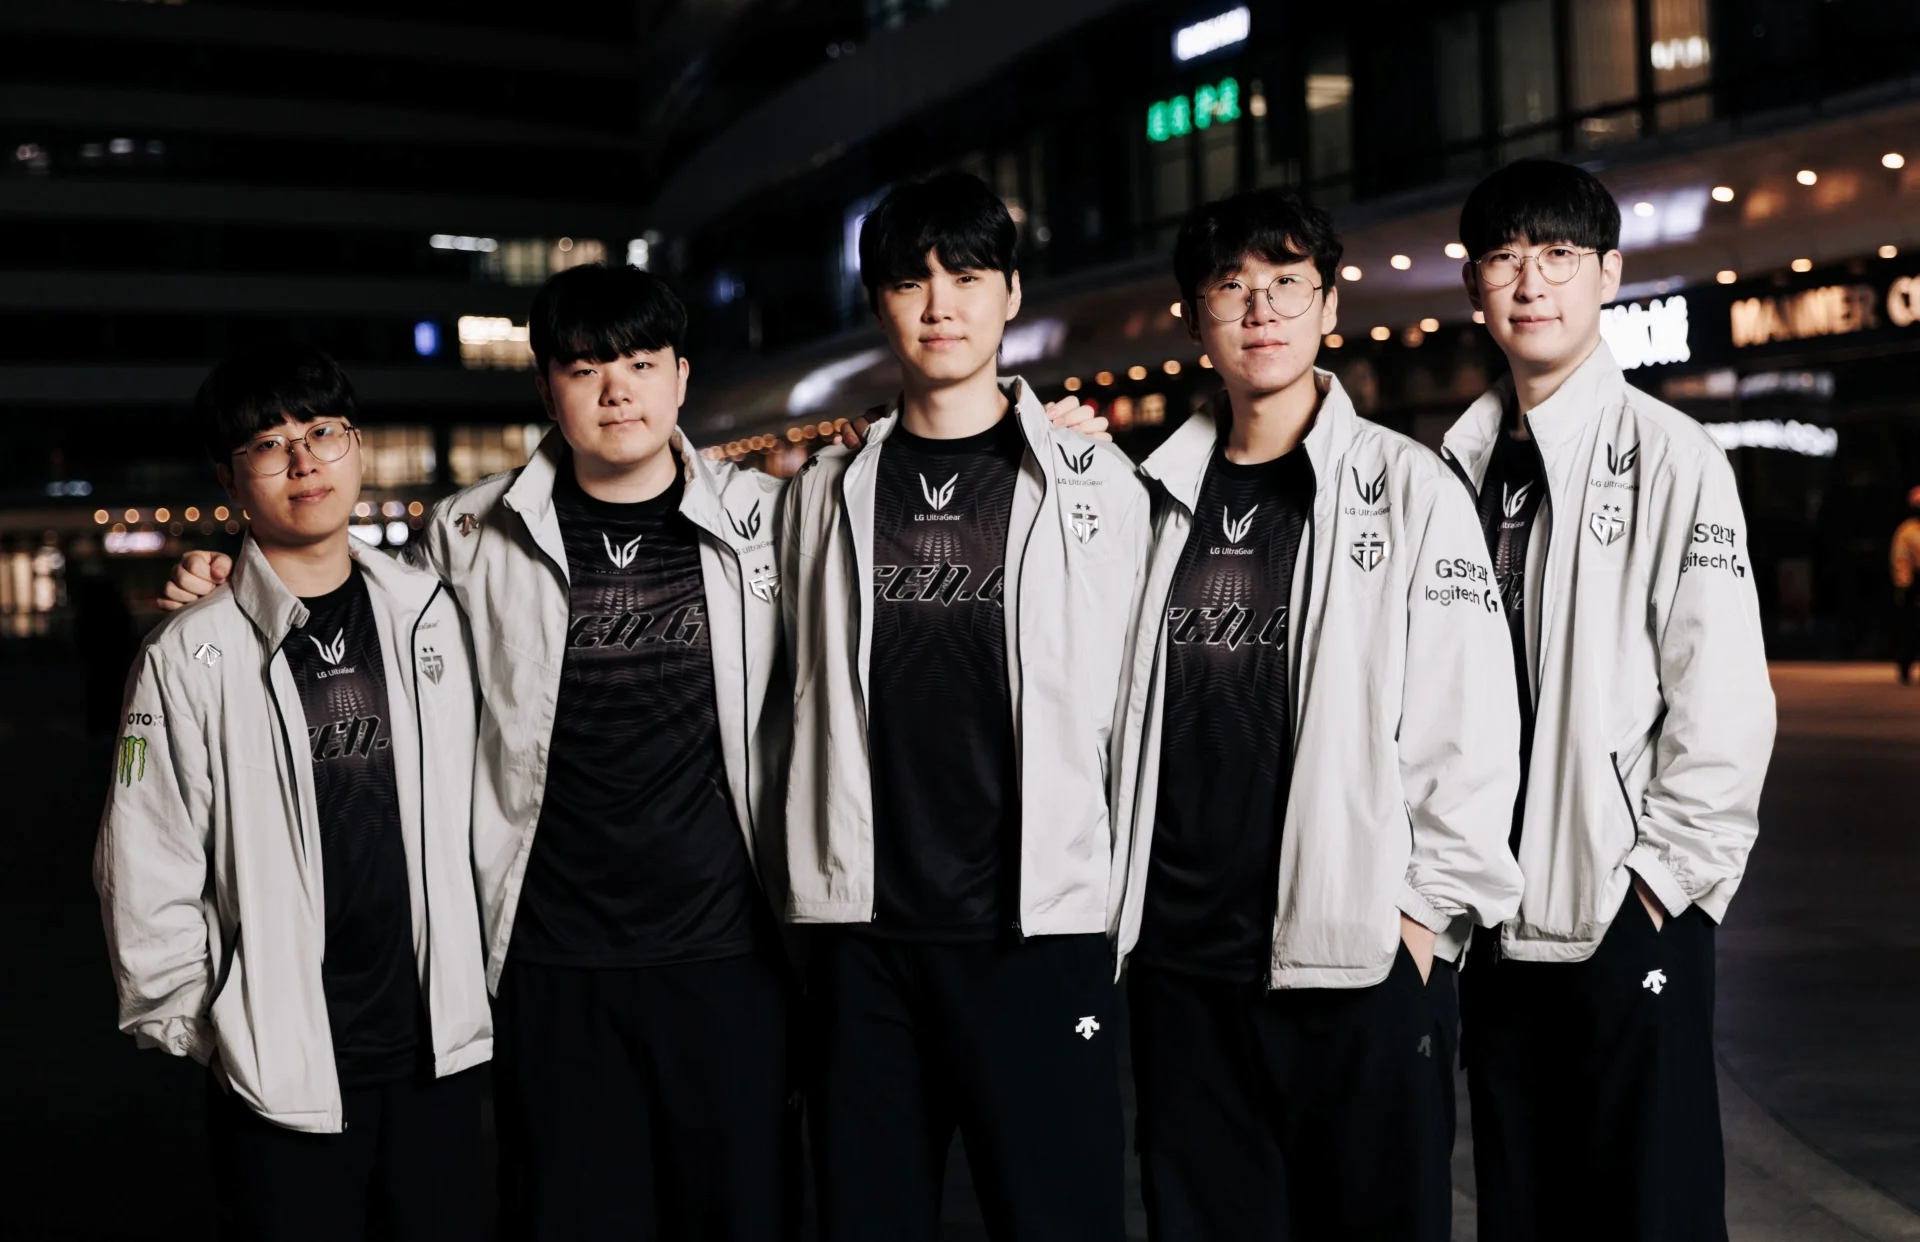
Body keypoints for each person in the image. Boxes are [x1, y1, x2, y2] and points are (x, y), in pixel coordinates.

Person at [157, 265, 1107, 1240]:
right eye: (586, 370)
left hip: (730, 960)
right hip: (550, 964)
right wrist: (232, 579)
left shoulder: (771, 516)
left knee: (745, 1218)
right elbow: (344, 596)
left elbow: (900, 488)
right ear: (547, 390)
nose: (617, 391)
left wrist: (1038, 436)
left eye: (642, 364)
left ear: (681, 377)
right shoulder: (469, 535)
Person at [1107, 188, 1522, 1240]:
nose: (1261, 311)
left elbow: (1471, 725)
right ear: (1195, 318)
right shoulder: (1147, 502)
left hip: (1358, 963)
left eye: (1287, 284)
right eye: (1232, 287)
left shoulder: (1408, 488)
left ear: (1330, 305)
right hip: (1184, 966)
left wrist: (1423, 924)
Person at [778, 171, 1151, 1242]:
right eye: (911, 281)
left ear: (1012, 292)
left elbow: (1134, 704)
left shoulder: (1096, 485)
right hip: (865, 938)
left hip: (1034, 932)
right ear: (879, 304)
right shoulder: (820, 495)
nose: (940, 304)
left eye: (968, 276)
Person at [1441, 159, 1776, 1241]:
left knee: (1650, 1208)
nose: (1531, 282)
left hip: (1623, 912)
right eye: (1505, 258)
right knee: (1524, 1206)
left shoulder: (1674, 458)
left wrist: (1662, 884)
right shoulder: (1456, 467)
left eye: (1558, 255)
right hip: (1493, 921)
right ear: (1475, 286)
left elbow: (1724, 701)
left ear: (1609, 275)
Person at [96, 344, 491, 1241]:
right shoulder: (188, 653)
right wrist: (211, 1028)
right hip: (278, 1067)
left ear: (358, 445)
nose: (304, 460)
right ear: (231, 478)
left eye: (322, 432)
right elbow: (145, 856)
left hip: (437, 1046)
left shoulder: (432, 613)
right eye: (269, 444)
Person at [1891, 486, 1920, 683]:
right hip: (1914, 584)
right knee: (1912, 627)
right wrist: (1904, 584)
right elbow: (1901, 558)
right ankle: (1905, 665)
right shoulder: (1907, 531)